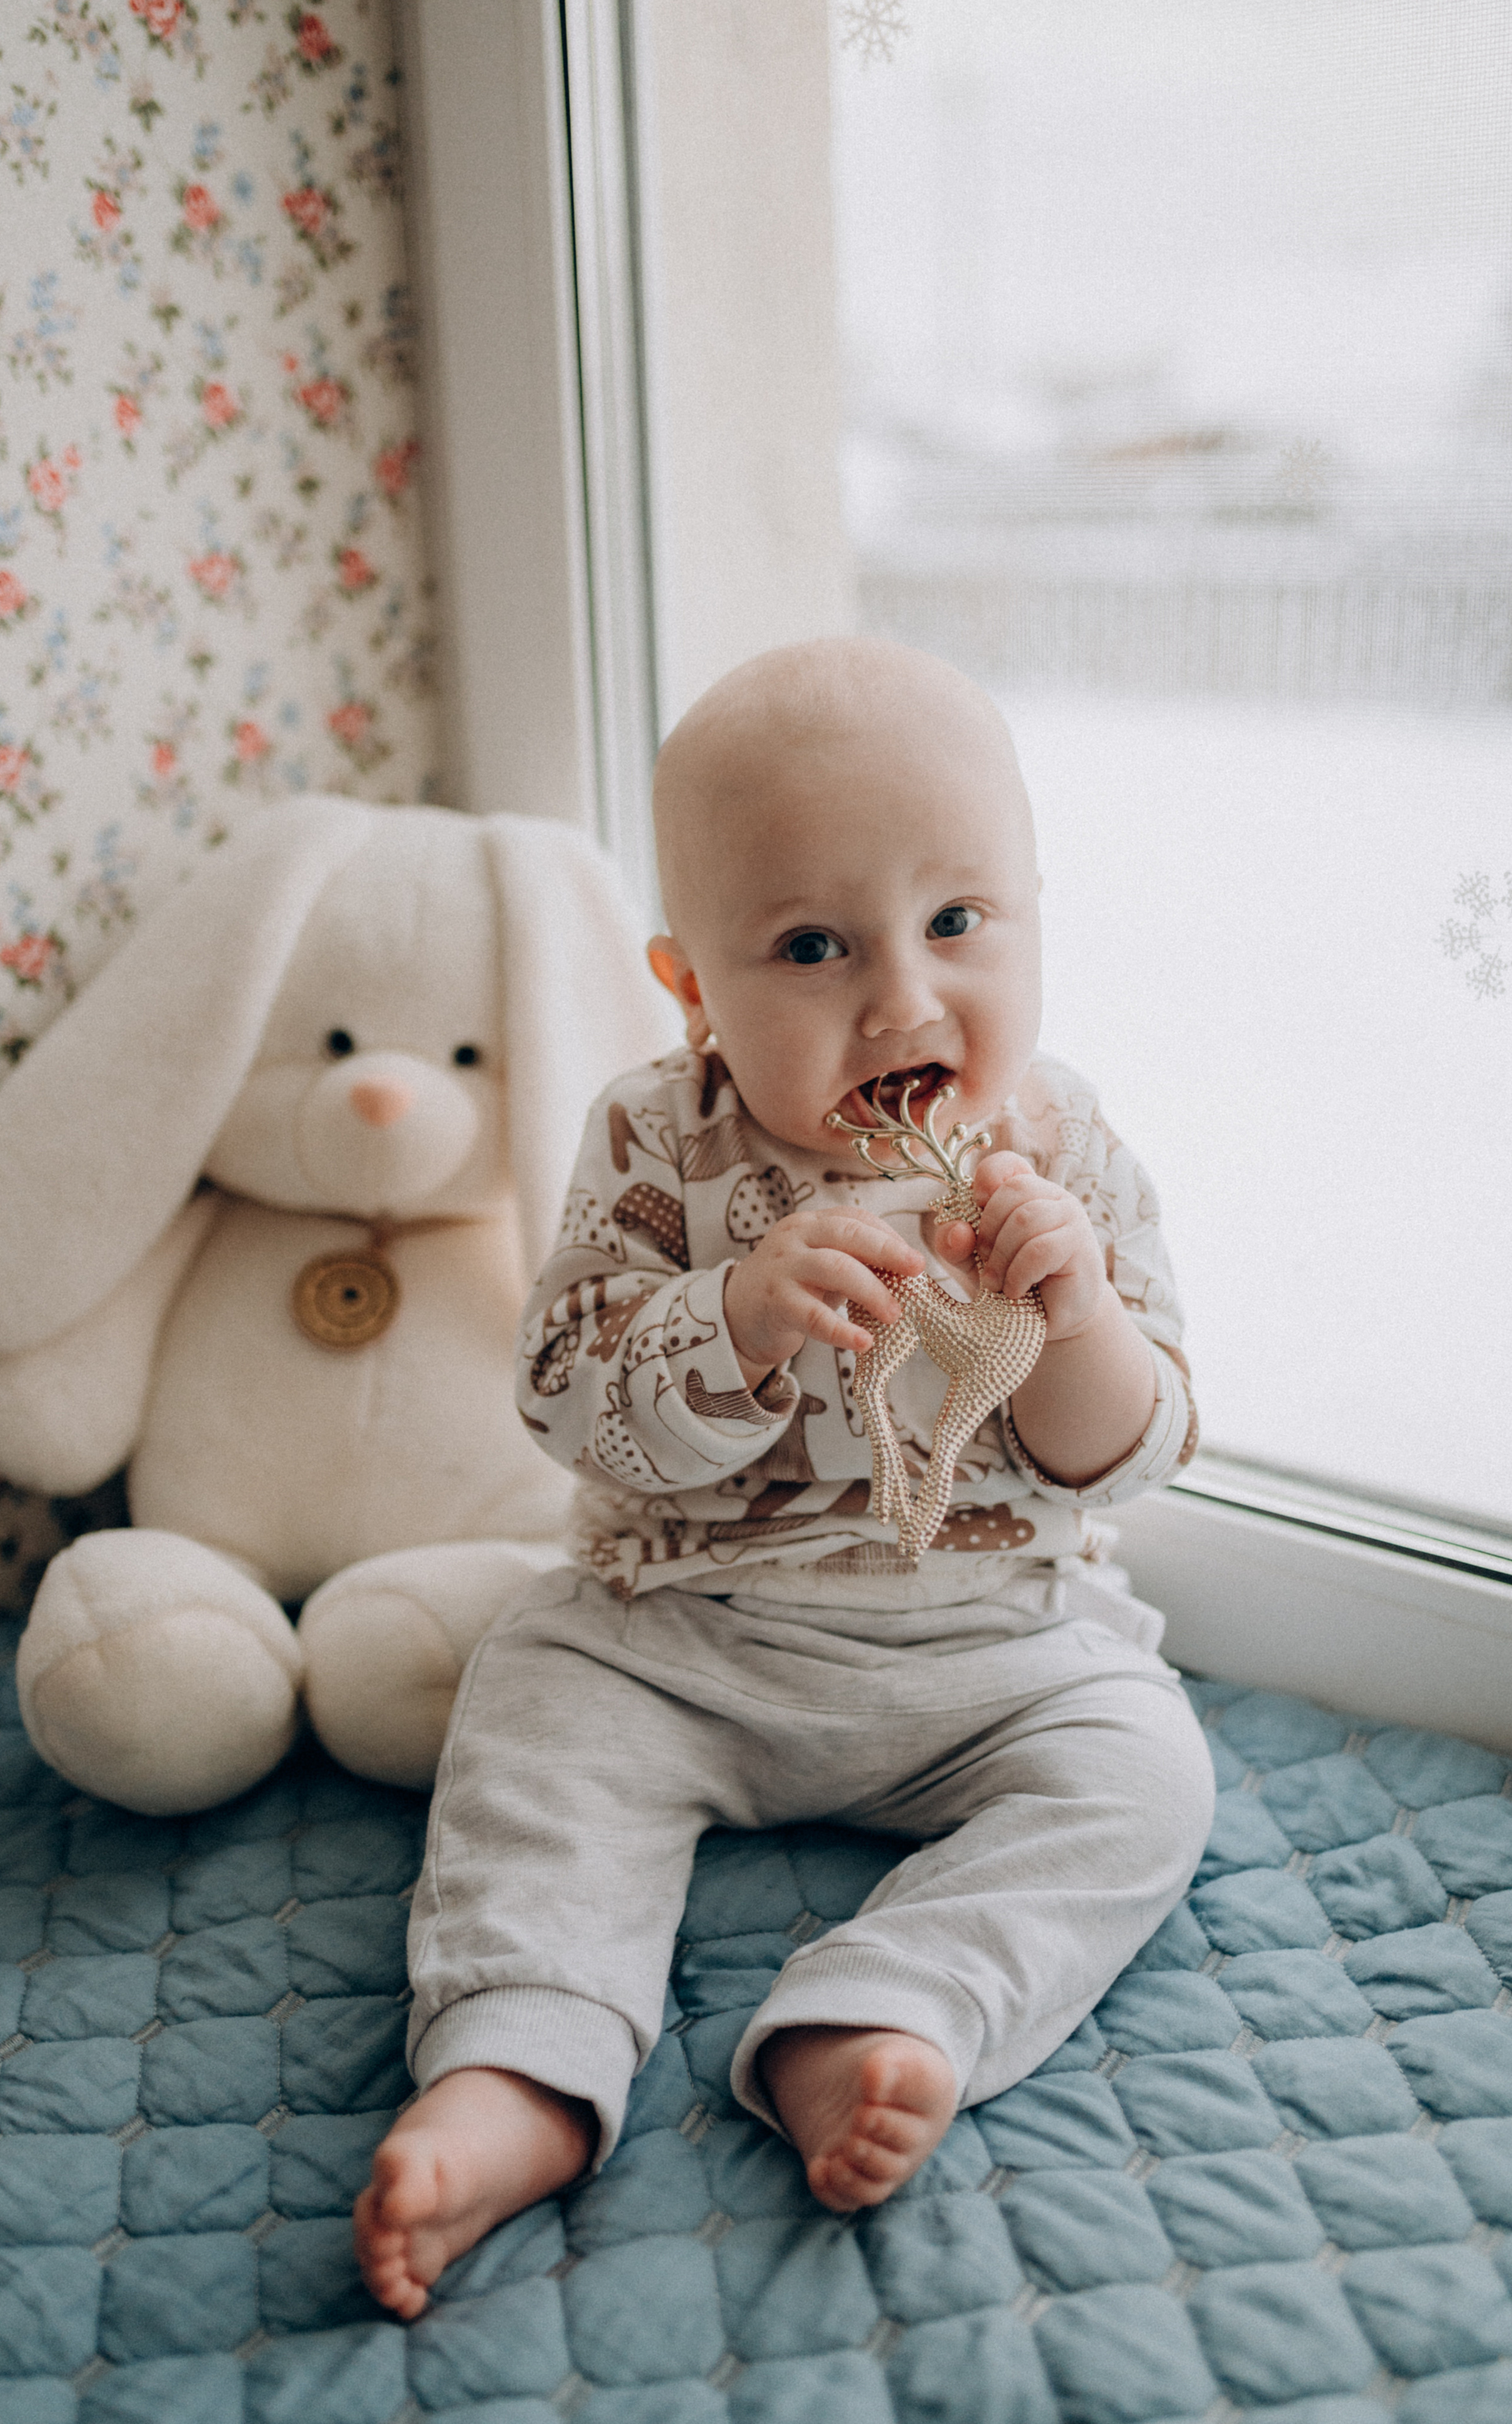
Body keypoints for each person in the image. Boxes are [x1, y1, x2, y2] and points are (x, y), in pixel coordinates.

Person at [355, 636, 1215, 2319]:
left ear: (1033, 914)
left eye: (956, 925)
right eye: (814, 947)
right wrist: (729, 1322)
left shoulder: (1068, 1148)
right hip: (689, 1635)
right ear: (692, 989)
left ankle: (882, 2015)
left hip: (995, 1653)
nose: (902, 1000)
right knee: (532, 1707)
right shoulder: (653, 1144)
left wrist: (1080, 1310)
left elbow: (1145, 1443)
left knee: (1149, 1779)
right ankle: (519, 2065)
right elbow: (561, 1397)